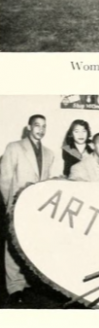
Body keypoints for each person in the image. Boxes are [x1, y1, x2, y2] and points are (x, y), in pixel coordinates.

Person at [1, 114, 61, 305]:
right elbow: (4, 179)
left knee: (29, 245)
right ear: (29, 127)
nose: (40, 130)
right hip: (15, 204)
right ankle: (14, 287)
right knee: (12, 247)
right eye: (37, 125)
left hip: (34, 208)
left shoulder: (50, 153)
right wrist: (9, 204)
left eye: (44, 126)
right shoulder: (14, 147)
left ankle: (27, 283)